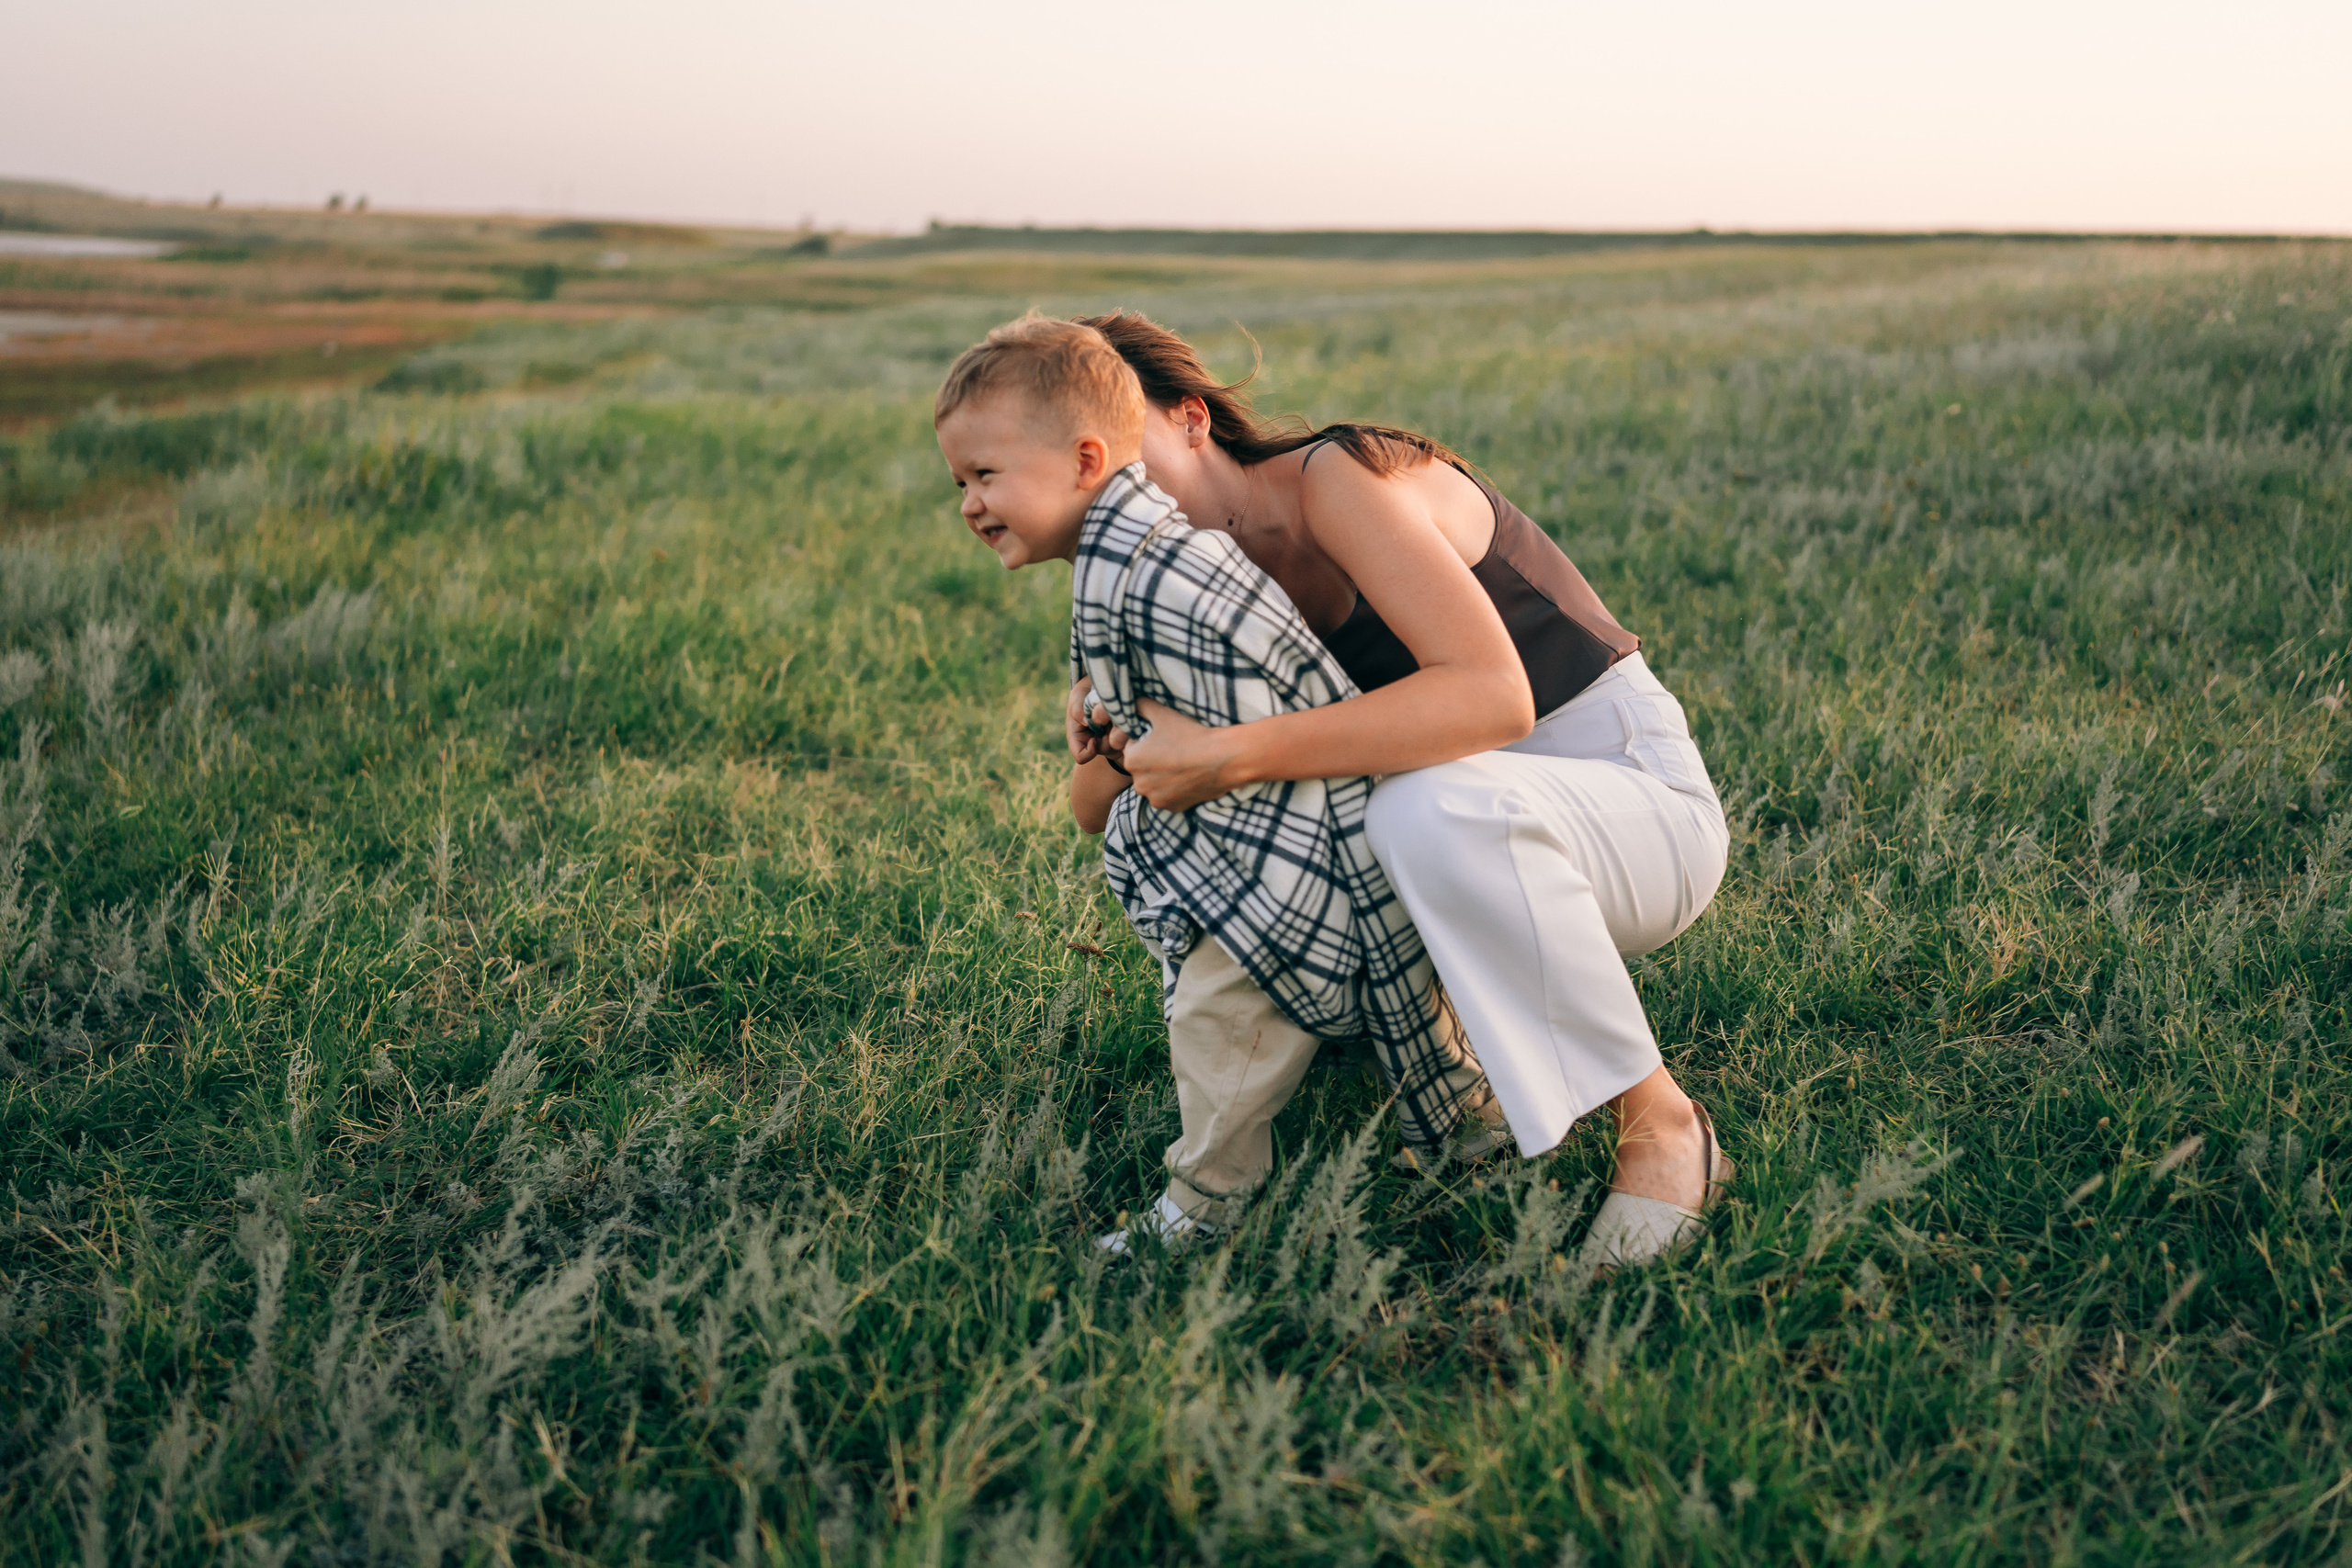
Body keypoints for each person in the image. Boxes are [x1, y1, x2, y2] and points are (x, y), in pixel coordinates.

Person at [1072, 311, 1735, 1268]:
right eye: (1088, 472)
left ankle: (1665, 1128)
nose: (1117, 493)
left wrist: (1230, 754)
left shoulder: (1335, 479)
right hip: (1464, 841)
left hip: (1626, 803)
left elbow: (1495, 698)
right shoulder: (1153, 585)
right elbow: (1093, 812)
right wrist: (1112, 740)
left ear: (1190, 419)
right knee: (1381, 822)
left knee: (1419, 808)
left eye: (1123, 447)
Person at [933, 315, 1501, 1256]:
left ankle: (1205, 1206)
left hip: (1283, 850)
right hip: (1289, 826)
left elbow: (1234, 726)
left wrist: (1151, 741)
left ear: (1086, 458)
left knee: (1219, 1015)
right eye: (959, 483)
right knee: (1381, 1021)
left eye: (984, 478)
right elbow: (1094, 799)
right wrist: (1116, 736)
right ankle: (1465, 1130)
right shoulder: (1130, 568)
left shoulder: (1154, 578)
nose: (967, 504)